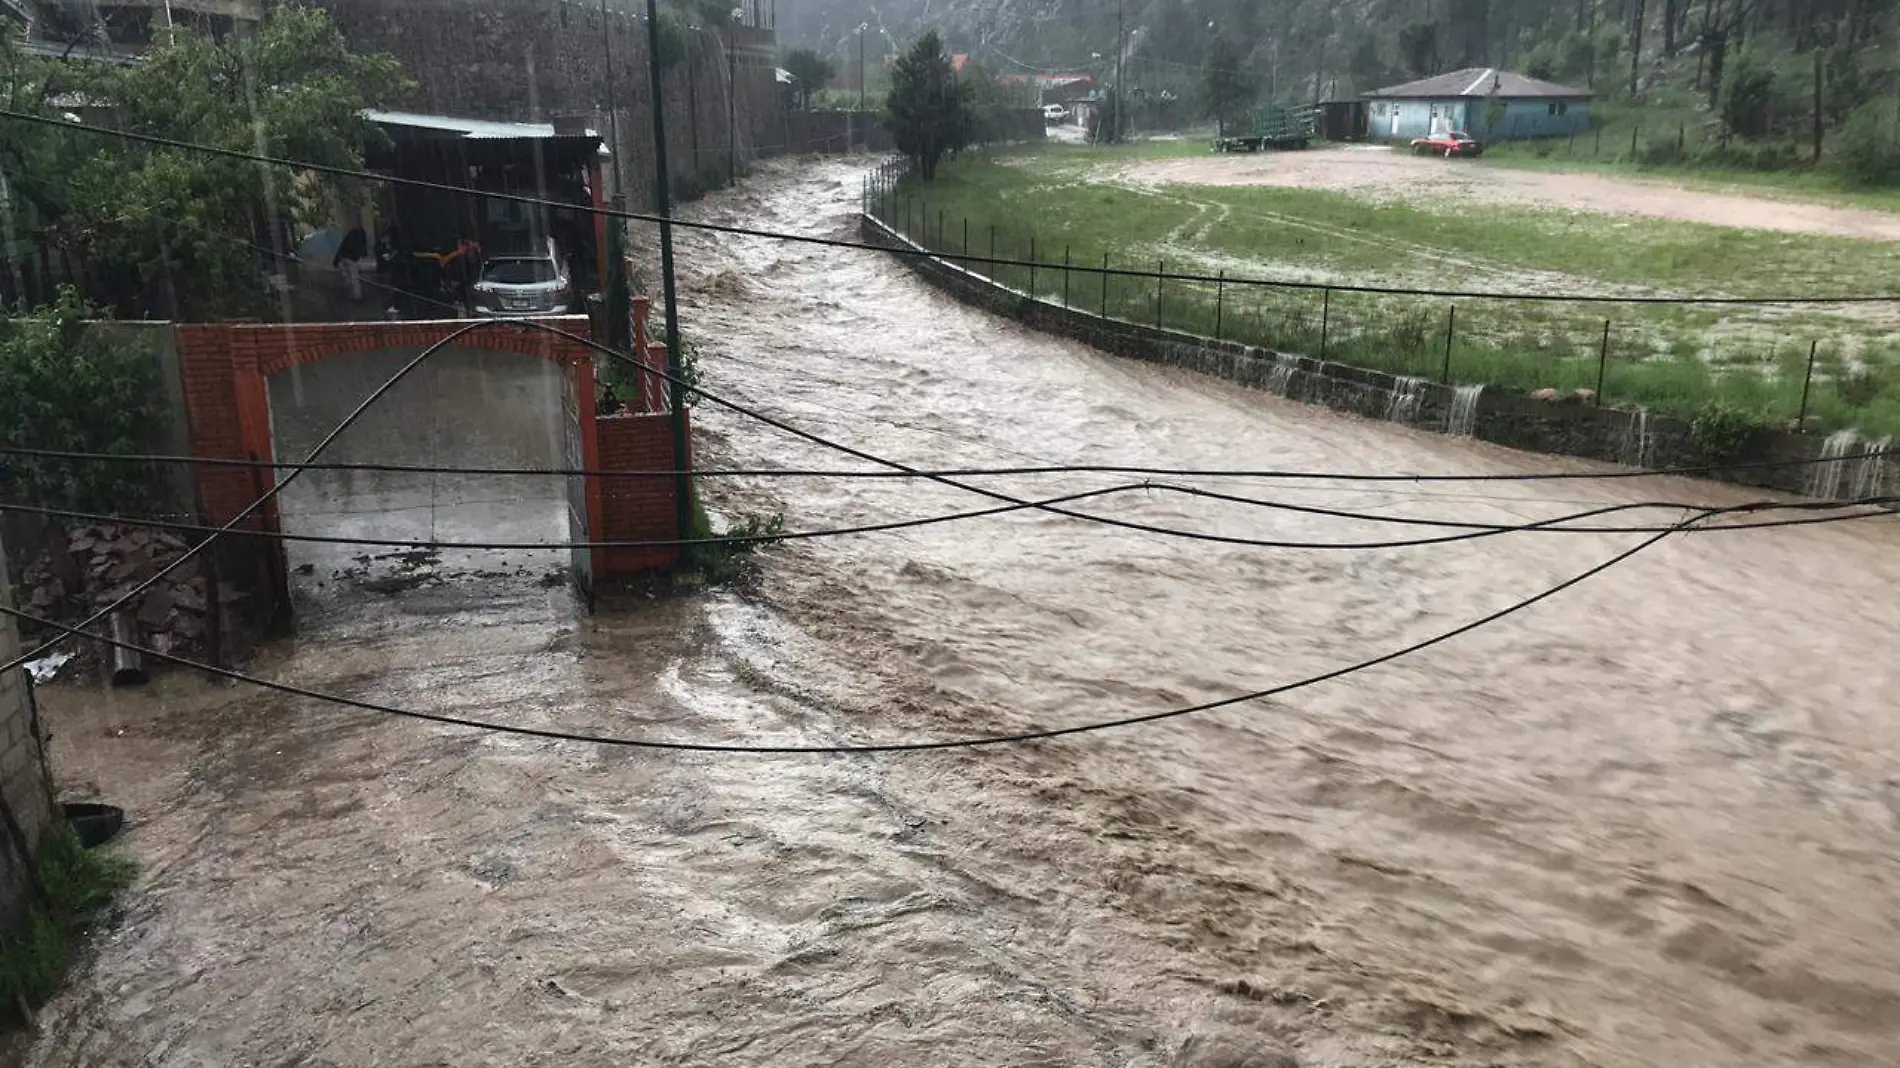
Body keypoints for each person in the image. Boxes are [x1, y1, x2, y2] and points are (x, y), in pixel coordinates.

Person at [334, 222, 368, 302]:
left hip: (343, 257)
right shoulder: (360, 236)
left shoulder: (349, 236)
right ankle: (357, 297)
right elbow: (362, 248)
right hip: (351, 259)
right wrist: (360, 255)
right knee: (355, 278)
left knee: (348, 278)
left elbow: (341, 247)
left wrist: (336, 261)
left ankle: (352, 295)